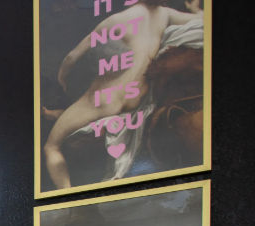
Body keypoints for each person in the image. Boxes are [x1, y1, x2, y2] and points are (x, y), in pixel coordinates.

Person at [42, 0, 203, 190]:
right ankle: (59, 114)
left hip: (103, 103)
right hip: (137, 100)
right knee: (89, 102)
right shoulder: (164, 14)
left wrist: (62, 79)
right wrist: (195, 9)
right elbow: (203, 19)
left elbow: (71, 59)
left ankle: (68, 197)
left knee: (51, 147)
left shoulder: (116, 20)